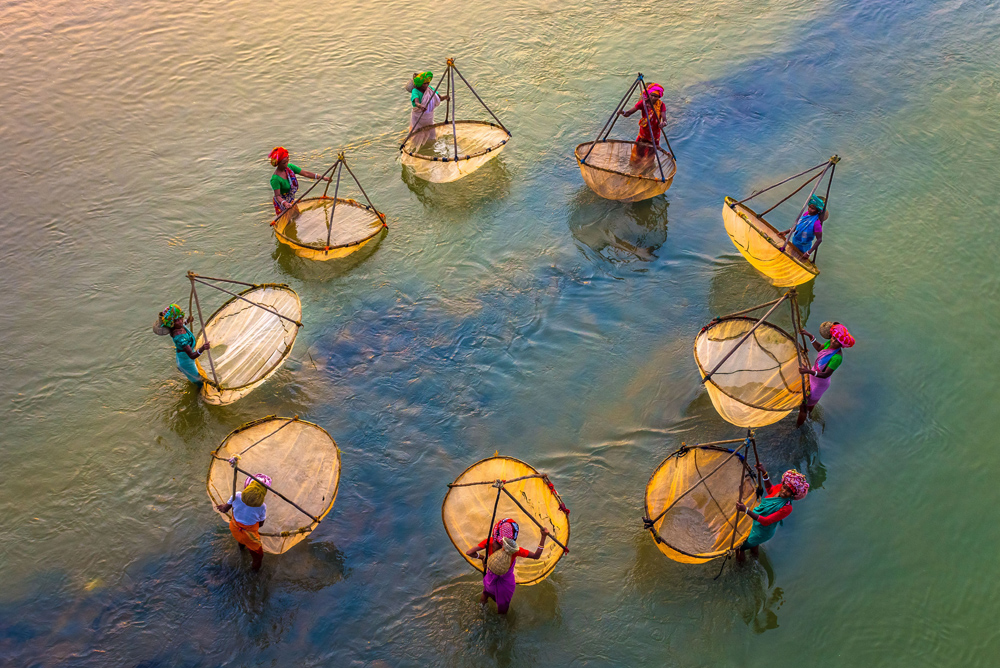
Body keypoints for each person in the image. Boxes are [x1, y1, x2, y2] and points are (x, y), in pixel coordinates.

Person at [465, 518, 550, 614]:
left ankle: (478, 613)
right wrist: (543, 536)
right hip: (504, 587)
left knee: (484, 597)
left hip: (489, 581)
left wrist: (482, 557)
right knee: (502, 612)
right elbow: (536, 556)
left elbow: (469, 552)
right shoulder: (514, 551)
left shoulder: (489, 541)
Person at [735, 465, 809, 561]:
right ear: (783, 484)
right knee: (754, 545)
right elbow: (770, 490)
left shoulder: (787, 508)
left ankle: (740, 569)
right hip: (758, 523)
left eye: (789, 491)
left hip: (763, 531)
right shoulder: (779, 488)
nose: (784, 491)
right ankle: (754, 561)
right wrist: (764, 473)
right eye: (784, 487)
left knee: (740, 547)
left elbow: (766, 521)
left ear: (793, 494)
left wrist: (745, 510)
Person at [797, 321, 854, 426]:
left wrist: (808, 371)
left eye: (837, 341)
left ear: (841, 345)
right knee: (808, 403)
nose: (833, 341)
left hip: (819, 383)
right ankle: (809, 416)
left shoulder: (837, 357)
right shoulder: (829, 344)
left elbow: (825, 374)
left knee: (803, 406)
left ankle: (798, 427)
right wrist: (810, 336)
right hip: (813, 375)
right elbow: (819, 348)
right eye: (833, 338)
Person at [215, 473, 272, 571]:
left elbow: (225, 508)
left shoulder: (236, 495)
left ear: (246, 487)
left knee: (241, 539)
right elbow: (261, 524)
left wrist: (223, 507)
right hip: (249, 535)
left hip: (234, 527)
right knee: (258, 557)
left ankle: (241, 549)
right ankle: (254, 574)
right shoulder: (262, 506)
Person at [154, 304, 210, 384]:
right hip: (187, 362)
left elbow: (182, 325)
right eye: (176, 321)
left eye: (180, 318)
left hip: (182, 356)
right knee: (199, 381)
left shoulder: (177, 327)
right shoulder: (180, 338)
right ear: (172, 324)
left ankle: (184, 370)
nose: (180, 322)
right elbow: (192, 355)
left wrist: (188, 321)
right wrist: (203, 348)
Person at [269, 146, 330, 215]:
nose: (286, 164)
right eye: (283, 163)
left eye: (287, 161)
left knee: (297, 215)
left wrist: (321, 177)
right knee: (286, 220)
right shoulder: (275, 179)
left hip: (290, 198)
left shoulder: (290, 167)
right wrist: (285, 203)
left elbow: (305, 173)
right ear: (278, 163)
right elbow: (277, 196)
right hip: (282, 202)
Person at [618, 83, 666, 163]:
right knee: (638, 155)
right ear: (648, 94)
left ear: (659, 97)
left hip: (654, 135)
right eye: (652, 95)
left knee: (650, 156)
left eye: (656, 96)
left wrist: (663, 124)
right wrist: (622, 112)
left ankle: (648, 169)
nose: (653, 98)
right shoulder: (643, 103)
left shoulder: (661, 105)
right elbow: (628, 113)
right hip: (643, 133)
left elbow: (665, 120)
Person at [407, 71, 450, 135]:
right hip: (418, 116)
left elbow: (439, 98)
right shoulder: (415, 91)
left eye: (428, 83)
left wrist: (445, 97)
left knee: (431, 133)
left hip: (428, 116)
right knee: (416, 132)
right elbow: (416, 102)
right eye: (424, 84)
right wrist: (420, 106)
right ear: (419, 84)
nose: (427, 85)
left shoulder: (430, 89)